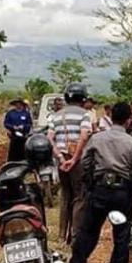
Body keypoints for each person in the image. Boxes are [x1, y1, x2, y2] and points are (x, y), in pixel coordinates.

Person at [67, 102, 132, 263]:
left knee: (88, 230)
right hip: (122, 194)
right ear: (129, 120)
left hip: (99, 190)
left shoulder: (97, 139)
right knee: (121, 235)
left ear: (111, 116)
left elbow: (85, 161)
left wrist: (89, 181)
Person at [48, 83, 92, 243]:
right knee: (79, 196)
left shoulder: (57, 116)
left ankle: (61, 235)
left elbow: (50, 138)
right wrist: (74, 159)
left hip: (62, 160)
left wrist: (60, 157)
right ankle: (74, 235)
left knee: (66, 194)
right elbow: (84, 136)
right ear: (83, 98)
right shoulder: (85, 115)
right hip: (77, 160)